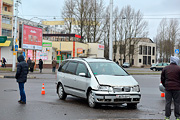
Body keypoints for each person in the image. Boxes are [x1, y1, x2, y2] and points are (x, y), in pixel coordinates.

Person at [161, 56, 180, 120]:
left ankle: (167, 116)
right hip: (177, 89)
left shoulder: (165, 68)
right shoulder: (179, 68)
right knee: (177, 102)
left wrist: (165, 85)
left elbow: (162, 78)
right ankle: (177, 116)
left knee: (168, 102)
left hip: (168, 88)